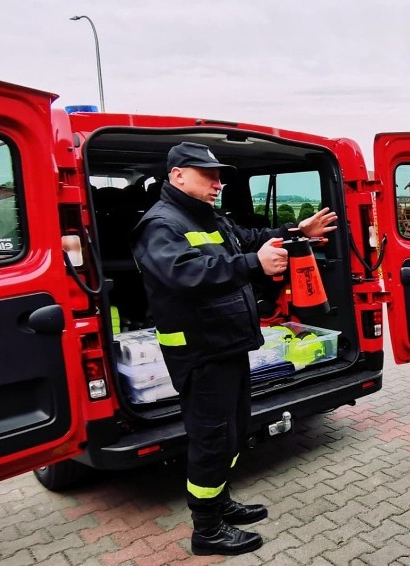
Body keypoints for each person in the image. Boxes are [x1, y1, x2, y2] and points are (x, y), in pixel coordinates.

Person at [131, 142, 337, 556]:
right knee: (211, 438)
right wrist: (251, 264)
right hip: (200, 352)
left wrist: (297, 234)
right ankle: (206, 530)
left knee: (233, 432)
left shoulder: (207, 217)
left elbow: (250, 238)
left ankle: (219, 502)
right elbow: (185, 273)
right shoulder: (160, 224)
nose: (218, 183)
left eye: (219, 175)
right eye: (208, 175)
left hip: (227, 344)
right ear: (177, 176)